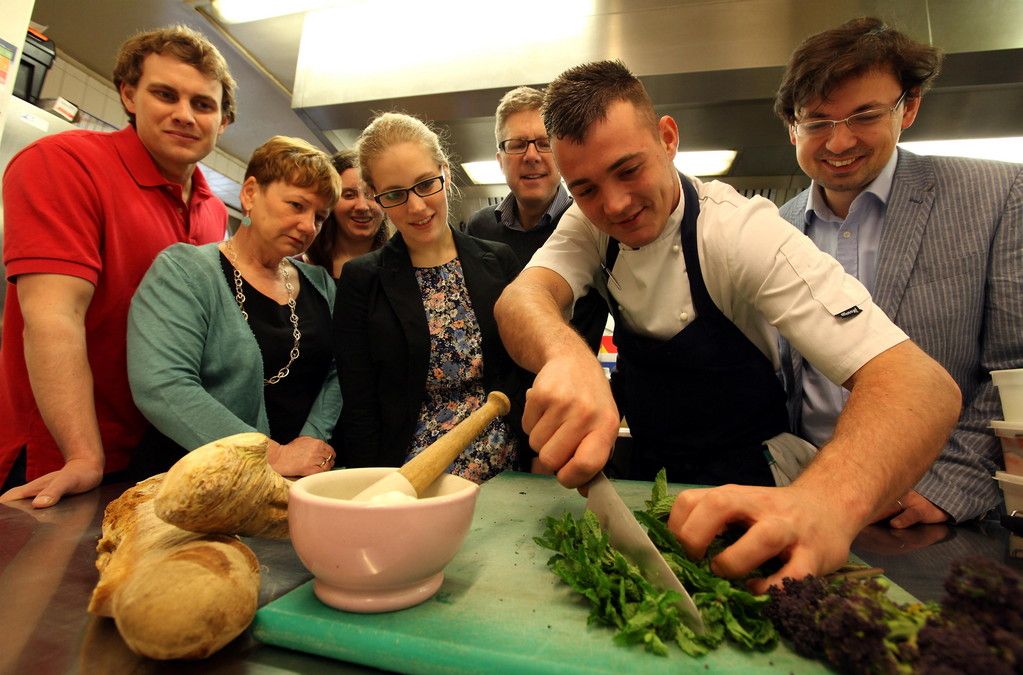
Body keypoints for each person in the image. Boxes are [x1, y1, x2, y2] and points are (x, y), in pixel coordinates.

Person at [493, 59, 961, 591]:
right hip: (652, 483)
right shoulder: (588, 222)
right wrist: (567, 357)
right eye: (586, 188)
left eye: (629, 170)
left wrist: (822, 503)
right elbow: (521, 299)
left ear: (667, 138)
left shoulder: (741, 233)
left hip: (754, 484)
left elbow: (920, 387)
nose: (614, 204)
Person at [774, 17, 1023, 528]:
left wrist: (947, 487)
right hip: (809, 502)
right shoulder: (775, 230)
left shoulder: (996, 196)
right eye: (818, 122)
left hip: (934, 512)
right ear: (792, 127)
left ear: (908, 107)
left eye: (864, 115)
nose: (839, 143)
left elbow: (1014, 368)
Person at [0, 25, 235, 507]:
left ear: (224, 121)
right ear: (129, 94)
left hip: (153, 459)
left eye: (203, 104)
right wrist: (84, 456)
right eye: (165, 94)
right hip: (59, 458)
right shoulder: (64, 164)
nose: (184, 115)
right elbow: (53, 318)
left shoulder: (213, 211)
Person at [127, 136, 341, 478]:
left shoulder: (321, 285)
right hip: (194, 485)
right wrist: (271, 455)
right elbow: (163, 386)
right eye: (297, 206)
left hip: (291, 484)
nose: (308, 226)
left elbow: (338, 371)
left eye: (320, 217)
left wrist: (309, 443)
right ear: (251, 193)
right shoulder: (184, 272)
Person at [333, 112, 530, 483]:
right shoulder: (362, 280)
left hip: (505, 475)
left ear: (446, 173)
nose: (417, 207)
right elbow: (360, 406)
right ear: (377, 198)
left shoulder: (498, 262)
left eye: (426, 184)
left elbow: (522, 375)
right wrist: (369, 497)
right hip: (412, 481)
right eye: (394, 194)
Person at [466, 86, 607, 352]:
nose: (532, 156)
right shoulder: (479, 228)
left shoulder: (593, 223)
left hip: (568, 385)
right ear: (500, 160)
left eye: (544, 143)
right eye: (517, 145)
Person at [304, 149, 390, 279]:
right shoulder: (300, 269)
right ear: (330, 201)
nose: (362, 206)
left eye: (371, 195)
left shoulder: (404, 268)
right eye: (349, 195)